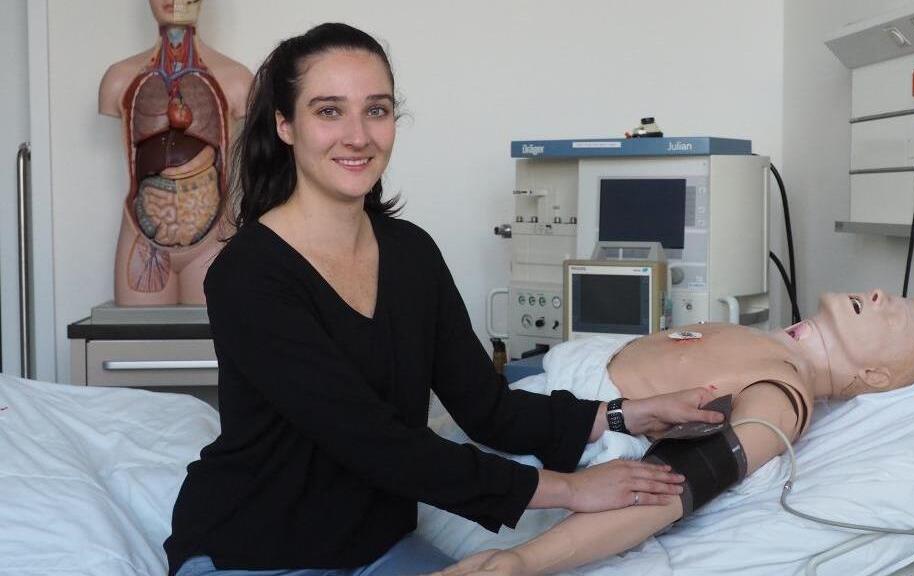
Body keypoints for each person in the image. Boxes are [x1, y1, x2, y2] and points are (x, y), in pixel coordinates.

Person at [163, 22, 726, 576]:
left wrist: (628, 415)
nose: (358, 135)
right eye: (329, 110)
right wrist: (570, 491)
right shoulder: (249, 276)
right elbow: (374, 442)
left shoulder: (410, 253)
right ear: (285, 125)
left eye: (376, 110)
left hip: (375, 548)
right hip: (252, 553)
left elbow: (488, 407)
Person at [438, 289, 914, 576]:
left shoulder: (783, 395)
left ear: (875, 377)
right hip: (530, 401)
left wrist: (521, 561)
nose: (879, 294)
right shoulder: (770, 347)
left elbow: (670, 484)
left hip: (548, 430)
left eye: (895, 312)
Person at [99, 0, 252, 305]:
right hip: (143, 237)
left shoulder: (237, 80)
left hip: (214, 238)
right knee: (141, 345)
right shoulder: (118, 79)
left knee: (217, 346)